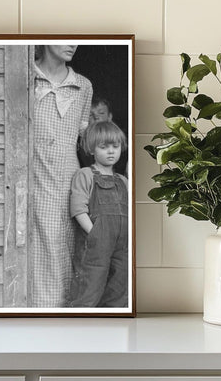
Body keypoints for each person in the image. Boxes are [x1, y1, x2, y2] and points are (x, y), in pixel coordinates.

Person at [32, 45, 93, 307]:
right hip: (32, 169)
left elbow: (85, 140)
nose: (73, 44)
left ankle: (58, 310)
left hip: (66, 174)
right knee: (31, 241)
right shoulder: (24, 74)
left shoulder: (83, 86)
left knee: (61, 243)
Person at [68, 121, 128, 308]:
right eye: (104, 147)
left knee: (119, 289)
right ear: (92, 149)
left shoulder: (123, 180)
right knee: (89, 287)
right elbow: (78, 209)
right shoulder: (85, 175)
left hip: (122, 244)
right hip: (96, 243)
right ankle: (79, 327)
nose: (111, 151)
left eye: (115, 146)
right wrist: (95, 233)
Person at [78, 96, 113, 168]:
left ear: (109, 117)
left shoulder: (115, 139)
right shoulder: (79, 142)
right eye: (90, 115)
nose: (96, 117)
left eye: (101, 113)